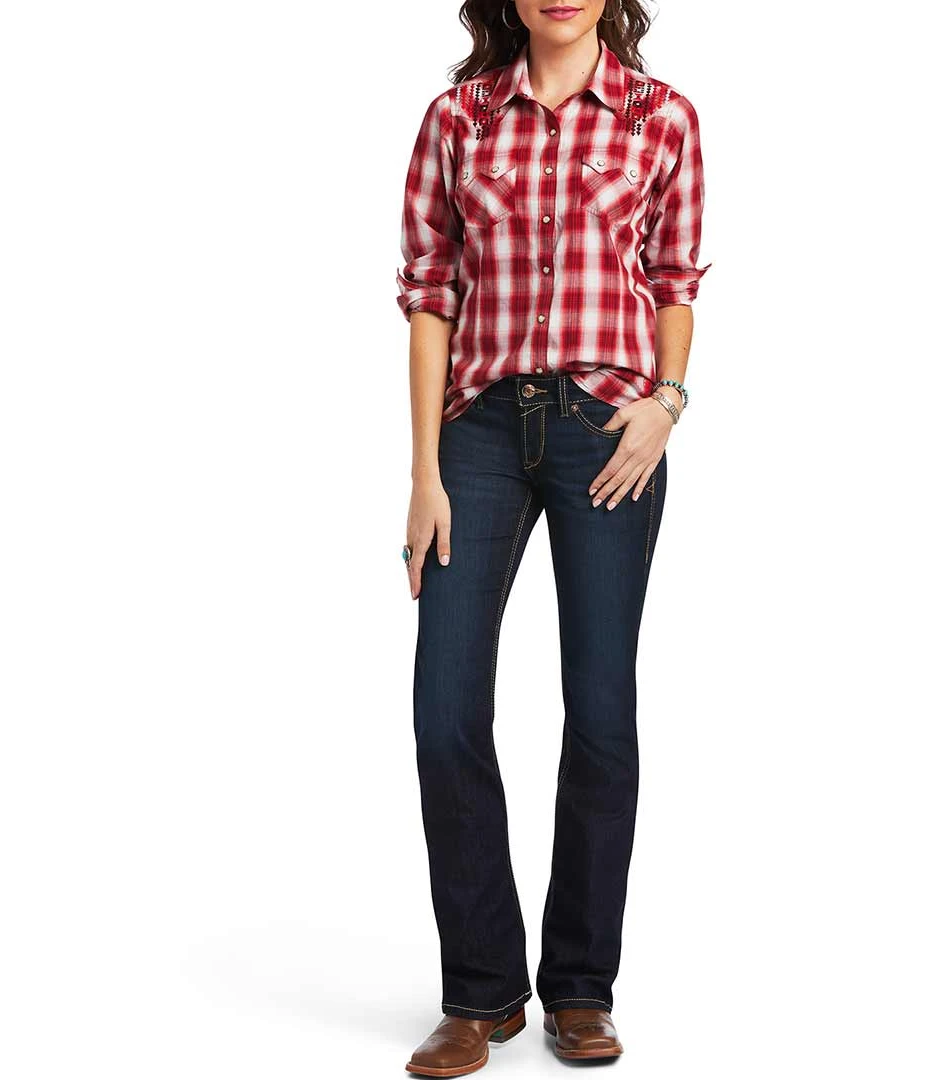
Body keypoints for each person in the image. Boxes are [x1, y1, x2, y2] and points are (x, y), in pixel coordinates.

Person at [395, 1, 709, 1073]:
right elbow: (430, 295)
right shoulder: (457, 119)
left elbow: (673, 280)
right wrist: (425, 473)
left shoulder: (663, 117)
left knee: (603, 712)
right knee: (444, 711)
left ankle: (580, 988)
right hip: (478, 434)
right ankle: (480, 993)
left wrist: (667, 403)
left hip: (607, 433)